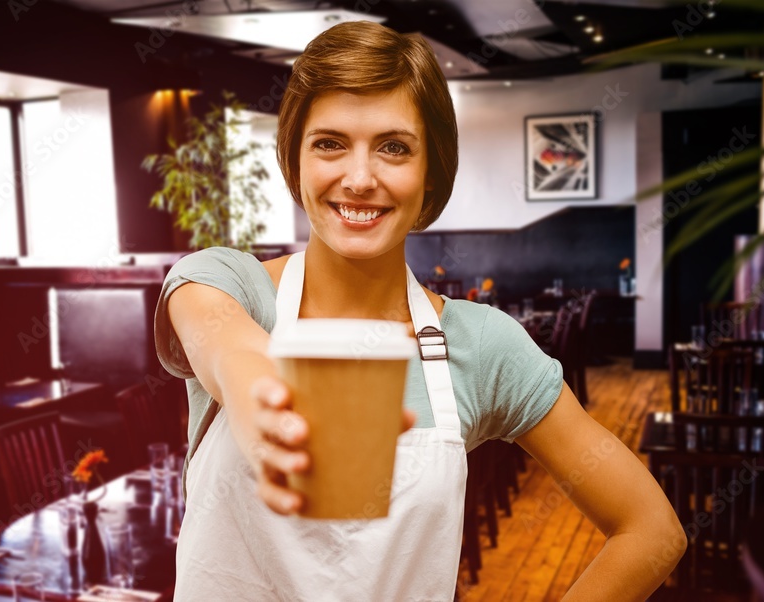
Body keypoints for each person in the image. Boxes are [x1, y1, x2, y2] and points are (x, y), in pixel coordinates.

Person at [154, 20, 685, 600]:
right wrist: (256, 385)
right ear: (295, 161)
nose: (359, 178)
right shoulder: (231, 285)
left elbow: (651, 529)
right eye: (329, 143)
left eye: (394, 147)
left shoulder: (481, 345)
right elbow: (224, 343)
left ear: (430, 176)